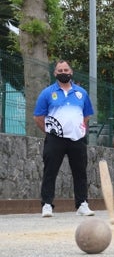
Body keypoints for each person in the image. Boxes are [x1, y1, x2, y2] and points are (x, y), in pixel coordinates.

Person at [33, 60, 95, 218]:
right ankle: (47, 205)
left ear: (71, 72)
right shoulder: (47, 93)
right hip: (55, 139)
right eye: (59, 70)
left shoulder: (81, 93)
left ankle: (82, 204)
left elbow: (86, 115)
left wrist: (78, 128)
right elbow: (38, 117)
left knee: (80, 172)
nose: (63, 72)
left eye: (65, 69)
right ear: (55, 73)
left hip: (77, 139)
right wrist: (49, 131)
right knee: (50, 171)